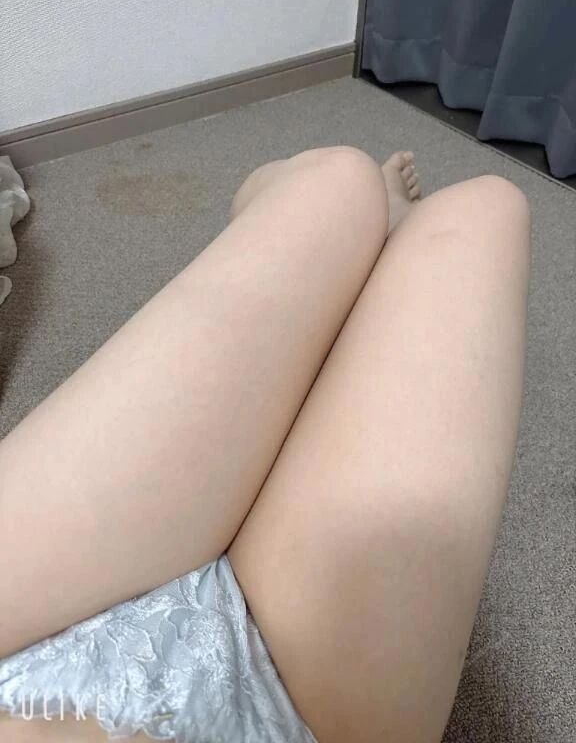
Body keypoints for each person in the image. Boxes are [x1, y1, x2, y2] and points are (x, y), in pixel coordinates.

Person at [0, 146, 530, 743]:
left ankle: (328, 250)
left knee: (339, 183)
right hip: (285, 716)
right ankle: (363, 278)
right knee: (484, 213)